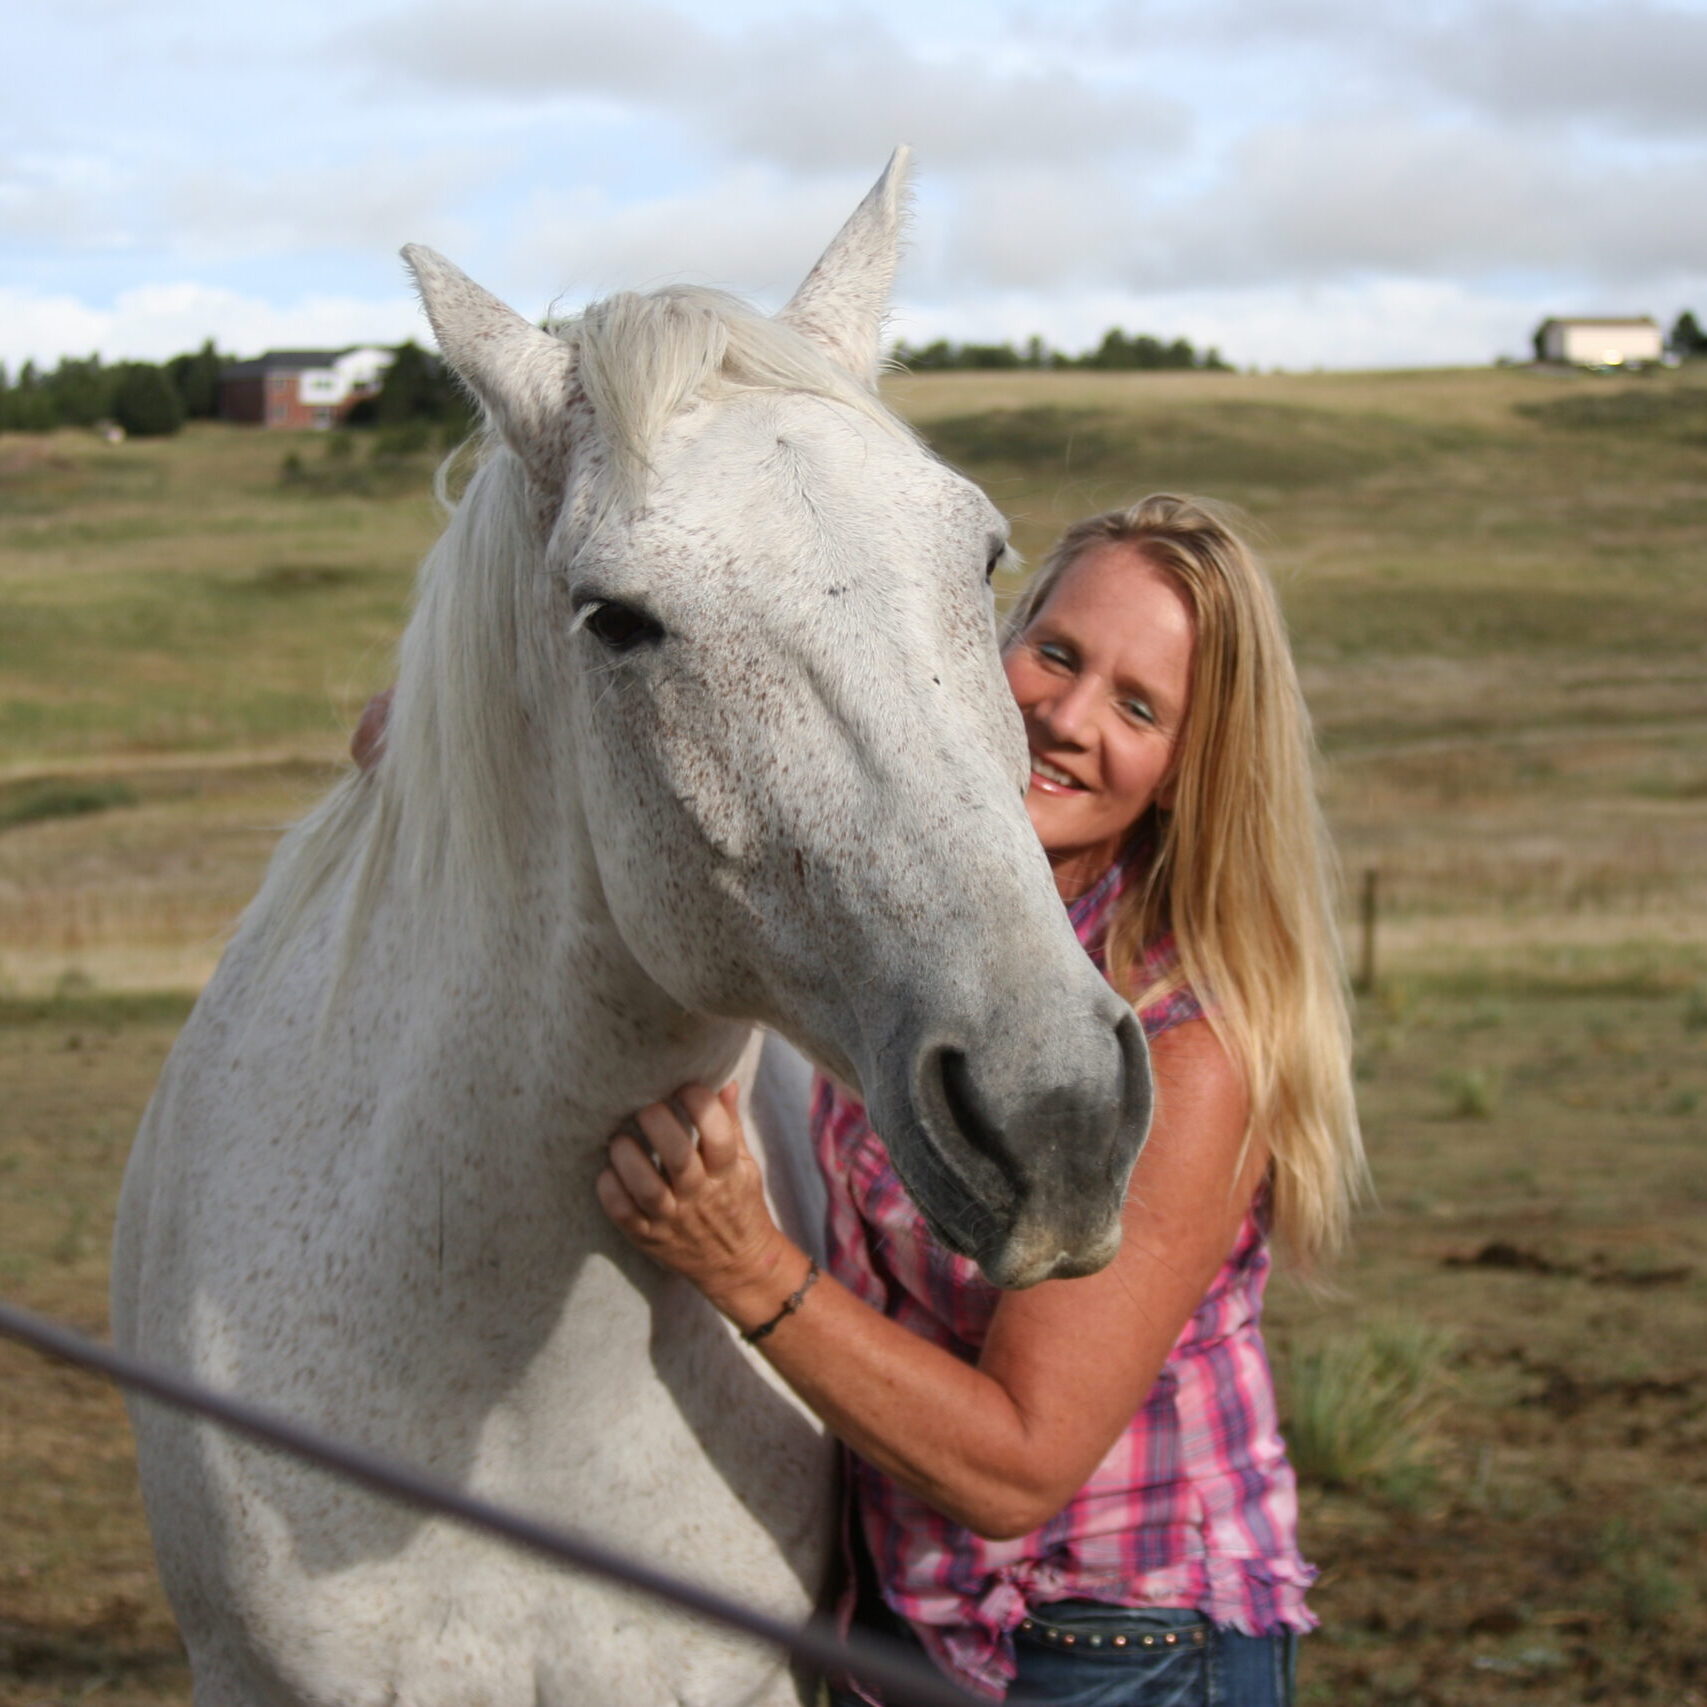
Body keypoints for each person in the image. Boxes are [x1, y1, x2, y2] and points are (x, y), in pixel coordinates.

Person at [595, 494, 1366, 1707]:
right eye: (1054, 654)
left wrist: (739, 1262)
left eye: (1137, 705)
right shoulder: (914, 937)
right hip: (909, 1621)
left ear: (1184, 768)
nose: (1064, 719)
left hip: (1118, 1647)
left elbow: (1019, 1466)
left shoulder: (1185, 1044)